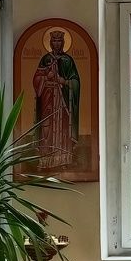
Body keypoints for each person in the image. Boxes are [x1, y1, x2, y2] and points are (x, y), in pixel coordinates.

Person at [33, 30, 80, 171]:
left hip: (63, 100)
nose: (57, 43)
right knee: (47, 128)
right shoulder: (45, 59)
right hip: (47, 98)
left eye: (59, 41)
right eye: (54, 41)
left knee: (63, 127)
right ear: (50, 42)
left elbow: (76, 82)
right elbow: (36, 79)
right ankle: (45, 161)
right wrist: (46, 77)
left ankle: (63, 160)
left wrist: (64, 81)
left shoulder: (68, 60)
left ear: (63, 43)